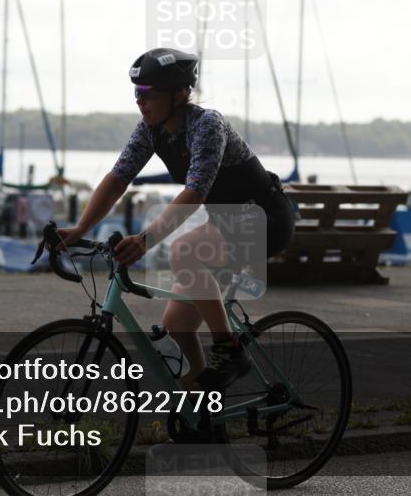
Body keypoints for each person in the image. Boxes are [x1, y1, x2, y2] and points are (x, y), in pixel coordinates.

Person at [55, 48, 295, 390]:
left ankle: (231, 351)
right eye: (136, 92)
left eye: (148, 92)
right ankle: (202, 410)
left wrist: (145, 240)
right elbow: (117, 180)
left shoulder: (207, 125)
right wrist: (80, 228)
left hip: (265, 218)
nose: (140, 100)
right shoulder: (152, 130)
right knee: (177, 324)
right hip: (226, 223)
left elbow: (195, 193)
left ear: (180, 93)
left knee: (185, 251)